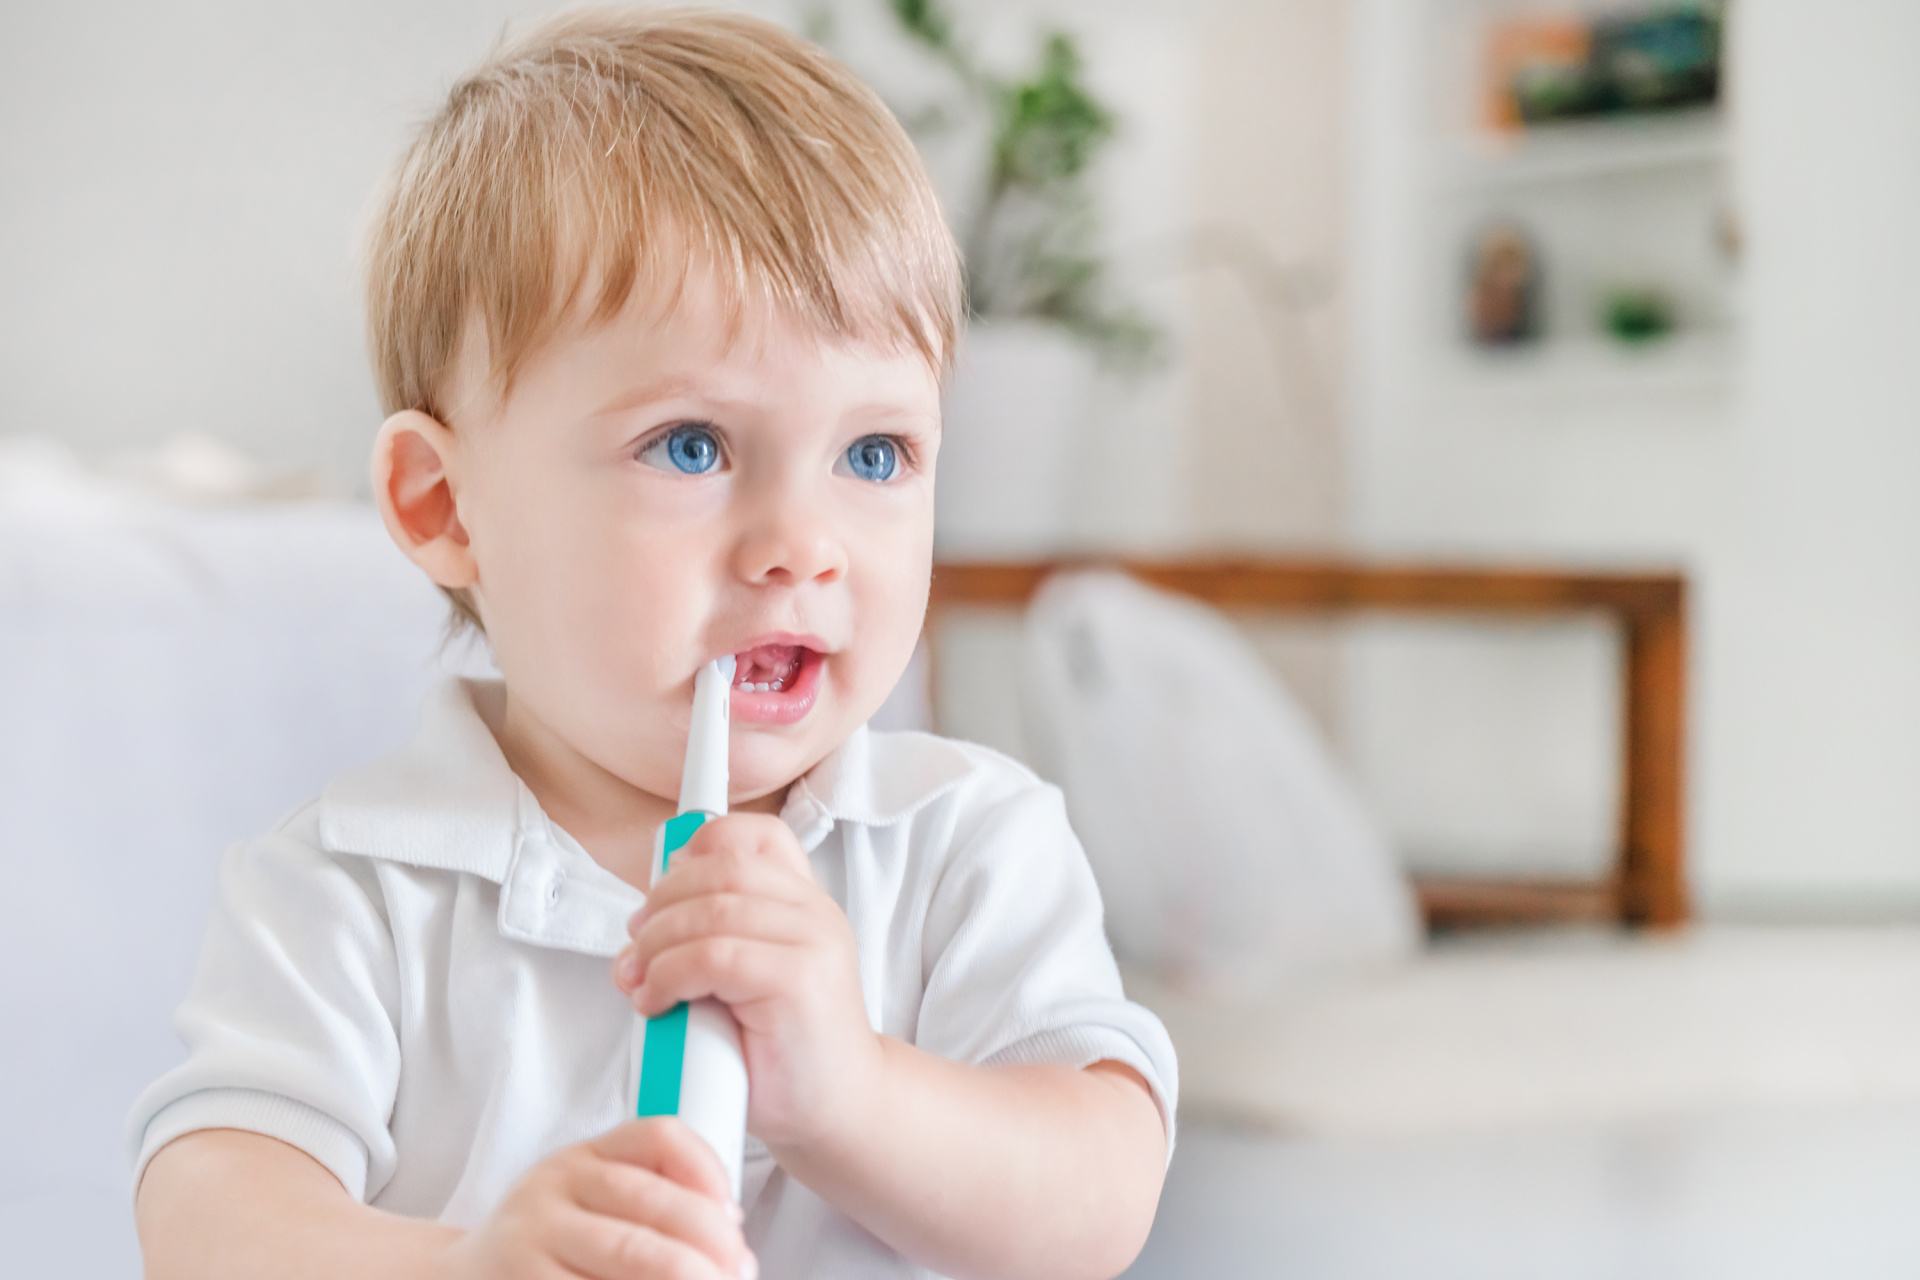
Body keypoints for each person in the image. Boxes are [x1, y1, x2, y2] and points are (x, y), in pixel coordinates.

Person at [127, 9, 1176, 1280]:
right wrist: (463, 1268)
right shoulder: (350, 890)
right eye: (693, 444)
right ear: (445, 507)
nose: (803, 544)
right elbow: (206, 1219)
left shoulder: (964, 847)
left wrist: (844, 1087)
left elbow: (1096, 1204)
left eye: (875, 453)